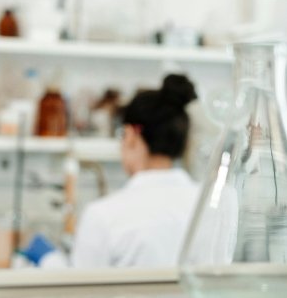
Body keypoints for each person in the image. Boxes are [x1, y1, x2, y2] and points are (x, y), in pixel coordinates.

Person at [23, 74, 201, 268]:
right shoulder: (218, 204)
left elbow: (80, 288)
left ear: (131, 135)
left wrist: (49, 259)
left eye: (122, 135)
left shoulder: (103, 215)